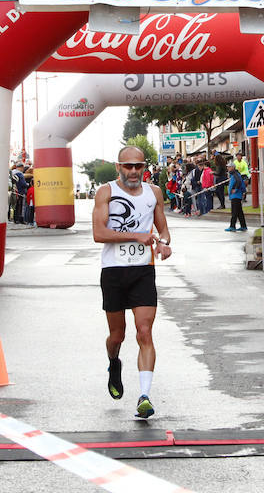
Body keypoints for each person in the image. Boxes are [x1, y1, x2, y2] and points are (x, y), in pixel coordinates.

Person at [92, 146, 172, 420]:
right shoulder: (106, 192)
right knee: (118, 336)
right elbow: (98, 233)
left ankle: (145, 396)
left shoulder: (154, 193)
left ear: (144, 167)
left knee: (144, 331)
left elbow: (163, 230)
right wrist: (136, 236)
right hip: (113, 271)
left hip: (142, 271)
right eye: (128, 166)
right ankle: (114, 363)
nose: (134, 171)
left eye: (138, 166)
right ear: (118, 167)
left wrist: (163, 244)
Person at [225, 162, 247, 232]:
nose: (227, 168)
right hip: (236, 195)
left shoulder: (235, 174)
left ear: (232, 167)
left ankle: (232, 226)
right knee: (239, 212)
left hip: (235, 196)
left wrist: (235, 189)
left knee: (234, 211)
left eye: (229, 167)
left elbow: (239, 182)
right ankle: (243, 226)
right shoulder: (235, 174)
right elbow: (241, 183)